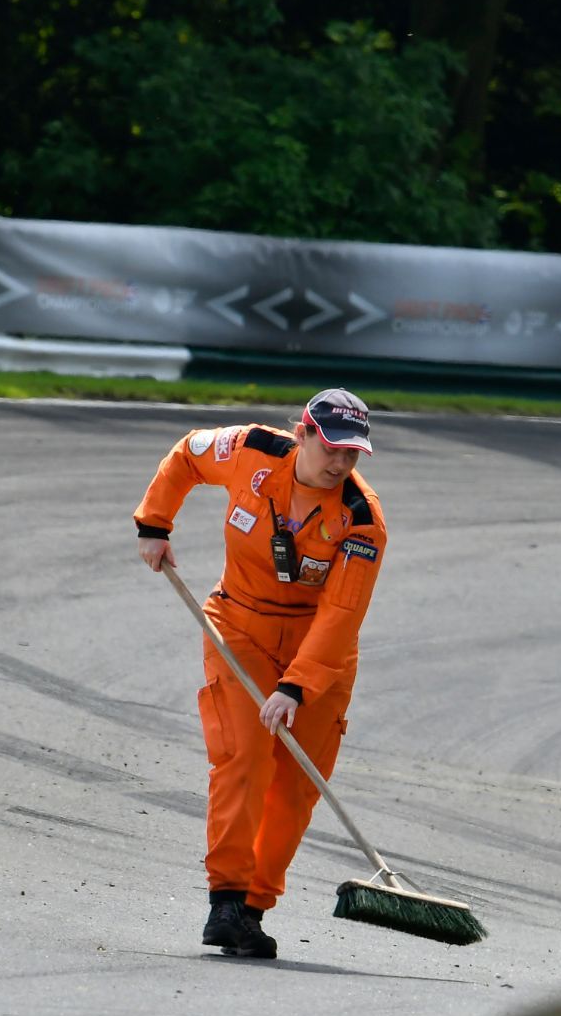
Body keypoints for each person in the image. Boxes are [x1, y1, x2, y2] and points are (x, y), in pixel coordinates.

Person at [134, 388, 387, 958]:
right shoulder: (249, 448)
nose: (342, 463)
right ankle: (224, 900)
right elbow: (187, 456)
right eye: (333, 449)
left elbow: (342, 613)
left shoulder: (362, 520)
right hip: (238, 628)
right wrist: (155, 522)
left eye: (354, 454)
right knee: (243, 756)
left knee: (295, 791)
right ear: (303, 433)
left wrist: (297, 686)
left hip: (318, 653)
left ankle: (252, 908)